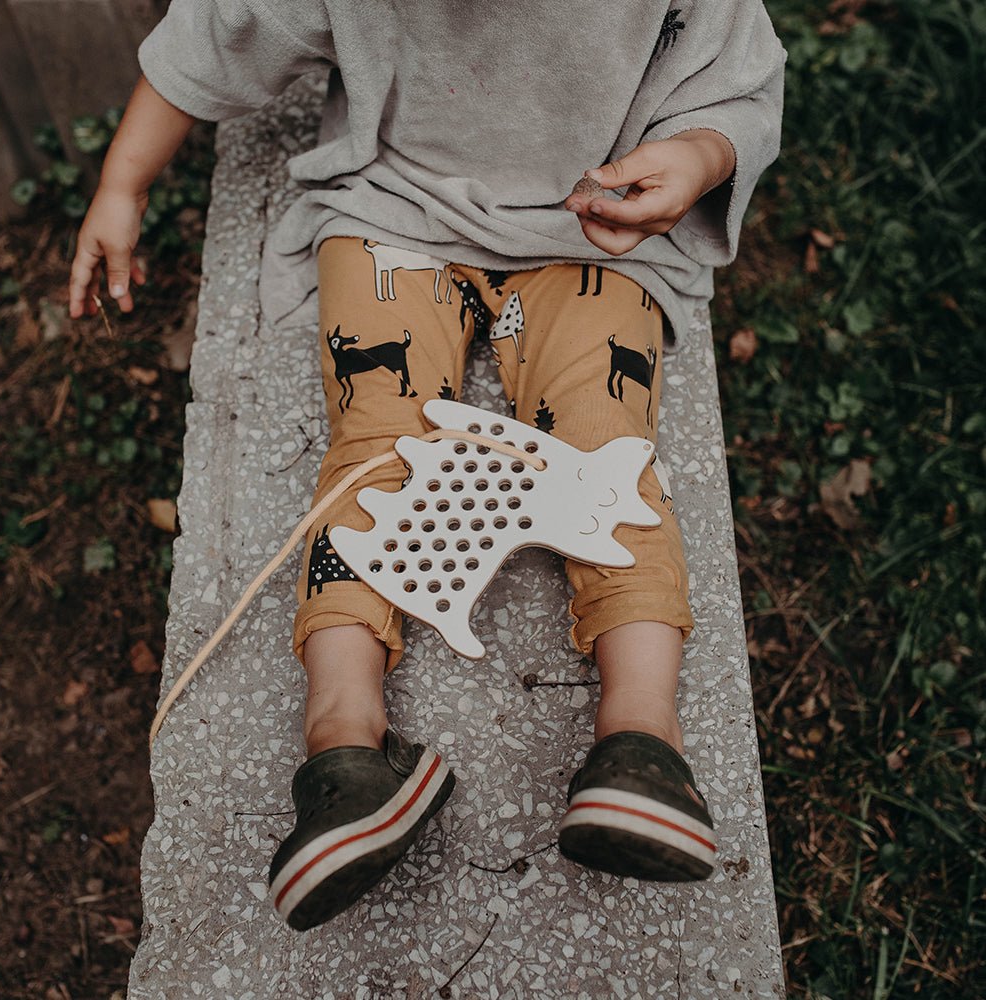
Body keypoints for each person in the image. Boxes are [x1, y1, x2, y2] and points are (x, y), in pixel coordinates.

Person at [69, 1, 785, 932]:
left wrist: (696, 157)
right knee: (393, 442)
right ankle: (364, 747)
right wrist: (121, 183)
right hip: (393, 214)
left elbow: (738, 76)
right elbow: (218, 29)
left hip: (592, 227)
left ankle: (632, 739)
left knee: (601, 453)